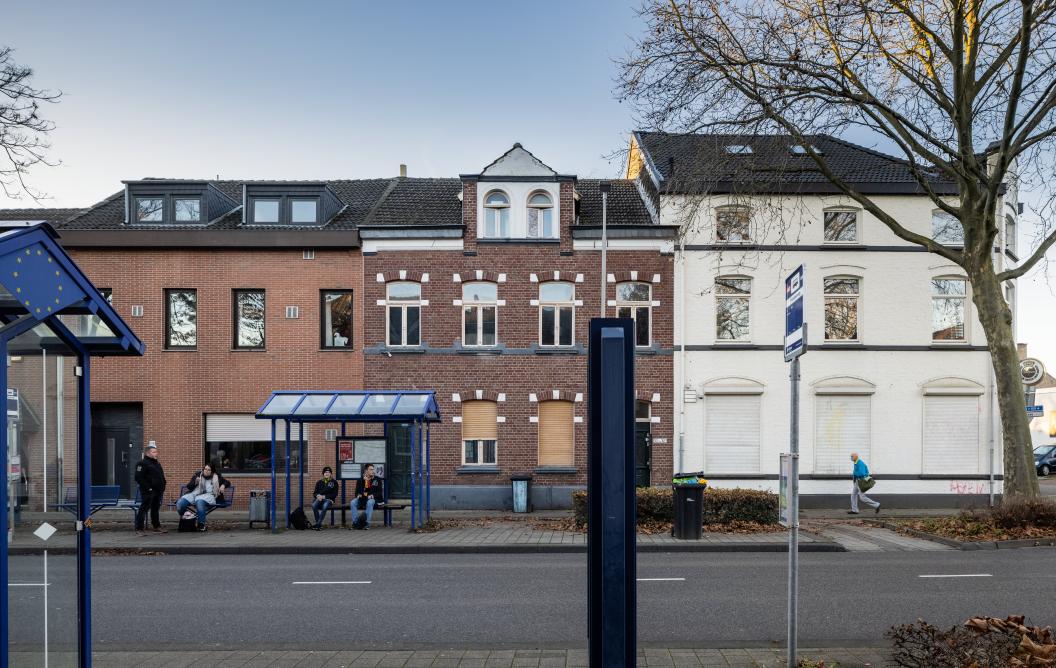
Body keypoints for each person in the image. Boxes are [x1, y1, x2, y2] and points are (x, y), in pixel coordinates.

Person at [176, 463, 226, 531]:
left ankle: (201, 525)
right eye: (205, 469)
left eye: (209, 470)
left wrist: (223, 485)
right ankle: (189, 516)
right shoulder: (198, 475)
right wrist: (195, 482)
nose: (206, 471)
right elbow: (189, 486)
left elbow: (227, 482)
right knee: (180, 504)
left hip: (209, 495)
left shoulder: (216, 477)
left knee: (199, 501)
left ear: (212, 471)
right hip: (195, 494)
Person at [134, 443, 167, 536]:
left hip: (158, 490)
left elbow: (161, 475)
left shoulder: (156, 463)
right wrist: (149, 488)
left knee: (155, 509)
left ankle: (156, 526)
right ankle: (139, 528)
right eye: (154, 452)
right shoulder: (142, 463)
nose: (156, 453)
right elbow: (138, 478)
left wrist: (164, 484)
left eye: (156, 452)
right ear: (148, 453)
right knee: (144, 508)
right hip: (148, 491)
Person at [352, 463, 383, 529]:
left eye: (373, 469)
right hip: (362, 499)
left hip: (373, 500)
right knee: (353, 502)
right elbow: (357, 492)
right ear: (366, 471)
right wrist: (358, 495)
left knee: (369, 502)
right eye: (371, 469)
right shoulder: (360, 480)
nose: (373, 471)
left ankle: (366, 523)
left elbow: (379, 492)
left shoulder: (377, 480)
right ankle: (356, 523)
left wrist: (372, 495)